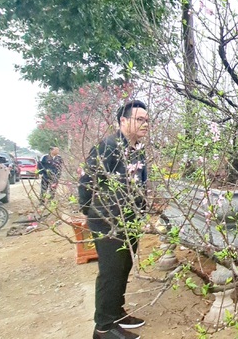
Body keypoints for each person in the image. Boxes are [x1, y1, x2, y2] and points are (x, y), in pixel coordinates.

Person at [79, 100, 150, 339]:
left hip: (130, 220)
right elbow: (86, 183)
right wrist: (93, 213)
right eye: (139, 119)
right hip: (108, 221)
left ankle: (115, 313)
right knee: (110, 271)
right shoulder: (108, 146)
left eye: (147, 120)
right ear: (123, 121)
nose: (145, 124)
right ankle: (103, 327)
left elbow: (140, 184)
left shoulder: (137, 148)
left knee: (123, 267)